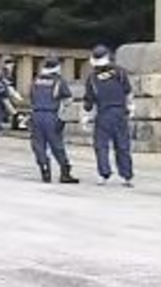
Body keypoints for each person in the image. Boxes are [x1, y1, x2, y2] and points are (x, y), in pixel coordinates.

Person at [81, 44, 135, 187]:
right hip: (120, 113)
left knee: (101, 145)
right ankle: (127, 176)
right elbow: (128, 92)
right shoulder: (120, 72)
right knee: (122, 145)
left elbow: (88, 101)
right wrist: (131, 107)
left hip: (103, 114)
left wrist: (86, 117)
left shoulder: (92, 78)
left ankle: (103, 174)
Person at [30, 55, 79, 184]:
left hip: (36, 115)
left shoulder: (36, 80)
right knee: (56, 144)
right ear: (57, 68)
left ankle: (45, 169)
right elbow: (68, 99)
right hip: (51, 115)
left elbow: (32, 97)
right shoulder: (59, 81)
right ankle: (65, 172)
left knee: (38, 144)